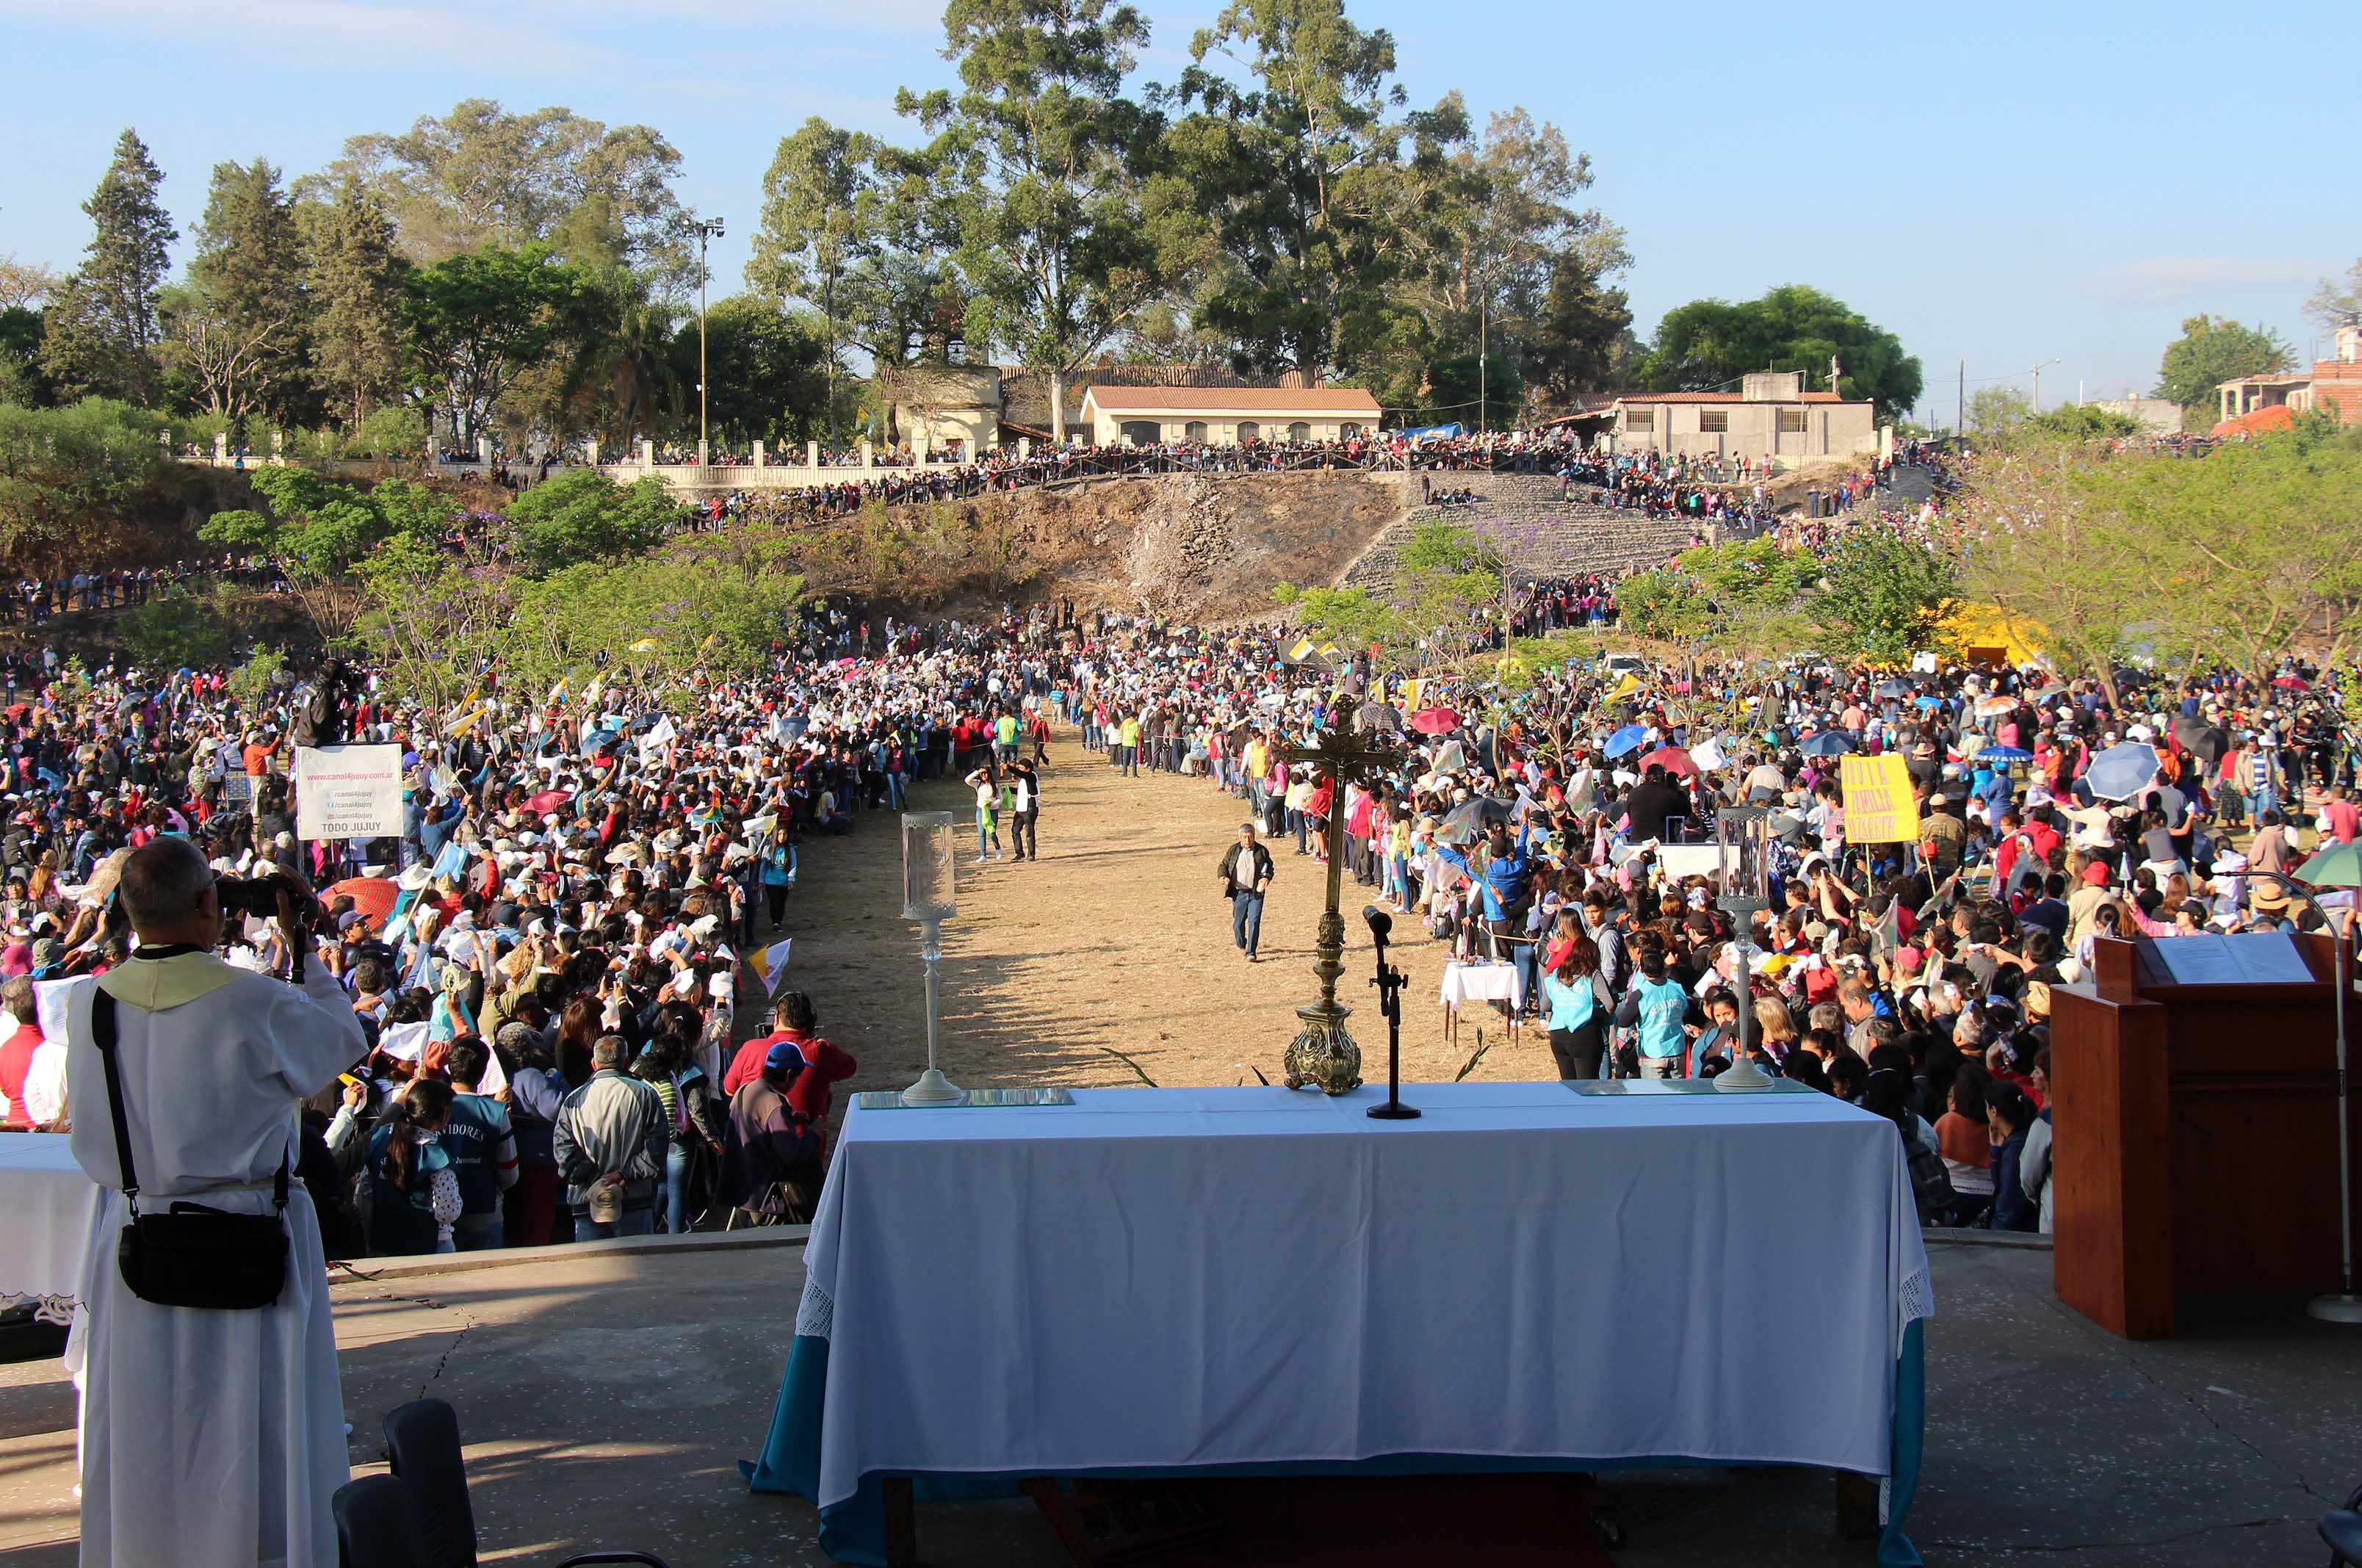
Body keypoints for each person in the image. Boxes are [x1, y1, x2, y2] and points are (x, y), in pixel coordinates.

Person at [62, 838, 366, 1568]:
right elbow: (340, 1041)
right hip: (246, 1243)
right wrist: (304, 948)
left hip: (136, 1241)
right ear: (211, 907)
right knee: (250, 1428)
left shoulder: (88, 1003)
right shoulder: (254, 998)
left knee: (150, 1431)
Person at [552, 1034, 669, 1238]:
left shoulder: (574, 1099)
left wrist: (595, 1178)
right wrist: (623, 1175)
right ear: (626, 1061)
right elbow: (657, 1148)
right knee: (639, 1266)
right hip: (634, 1201)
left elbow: (563, 1149)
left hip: (586, 1201)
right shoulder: (645, 1094)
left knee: (591, 1268)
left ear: (594, 1063)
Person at [720, 1040, 825, 1222]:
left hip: (741, 1192)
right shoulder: (774, 1104)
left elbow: (757, 1129)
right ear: (788, 1074)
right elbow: (793, 1155)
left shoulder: (744, 1091)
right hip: (765, 1202)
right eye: (796, 1077)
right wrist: (814, 1134)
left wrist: (791, 1120)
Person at [361, 1078, 461, 1255]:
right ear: (444, 1114)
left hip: (384, 1239)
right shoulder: (436, 1156)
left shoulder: (380, 1137)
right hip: (429, 1243)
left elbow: (364, 1189)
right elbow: (447, 1211)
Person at [439, 1038, 519, 1251]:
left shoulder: (432, 1106)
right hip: (484, 1213)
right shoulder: (495, 1112)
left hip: (438, 1216)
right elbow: (510, 1174)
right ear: (483, 1072)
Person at [1540, 933, 1607, 1080]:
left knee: (1567, 1085)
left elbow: (1545, 1005)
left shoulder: (1557, 975)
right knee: (1587, 1086)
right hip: (1585, 1033)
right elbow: (1610, 1004)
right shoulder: (1592, 974)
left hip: (1558, 1034)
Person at [1216, 820, 1276, 961]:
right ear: (1240, 838)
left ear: (1254, 836)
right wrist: (1223, 876)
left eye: (1250, 836)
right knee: (1238, 923)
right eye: (1244, 837)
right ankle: (1242, 942)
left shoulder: (1261, 851)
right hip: (1239, 893)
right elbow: (1223, 865)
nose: (1248, 840)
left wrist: (1266, 878)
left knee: (1254, 921)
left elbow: (1268, 868)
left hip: (1256, 893)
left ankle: (1251, 952)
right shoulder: (1234, 850)